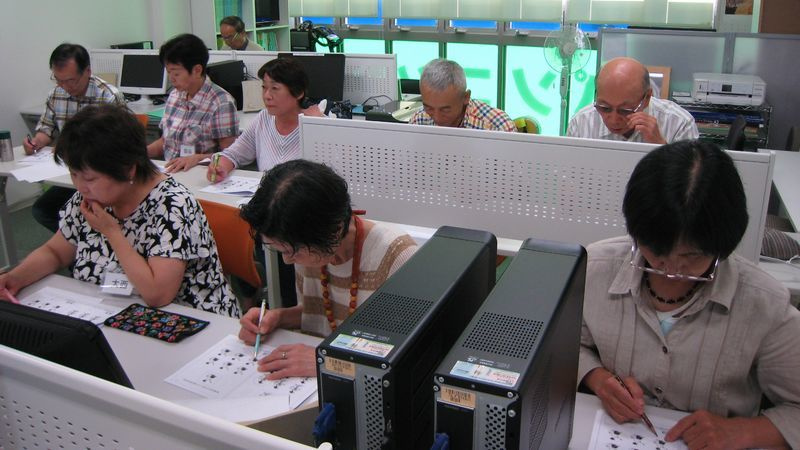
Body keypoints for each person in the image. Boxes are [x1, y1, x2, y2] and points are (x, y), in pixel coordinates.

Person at [579, 140, 799, 449]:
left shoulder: (764, 304)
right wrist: (598, 379)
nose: (671, 271)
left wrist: (744, 431)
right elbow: (563, 345)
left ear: (723, 246)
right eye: (657, 253)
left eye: (692, 258)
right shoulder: (595, 268)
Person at [0, 104, 239, 318]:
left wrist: (112, 232)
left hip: (186, 322)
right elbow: (56, 252)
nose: (80, 186)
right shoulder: (89, 198)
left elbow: (157, 295)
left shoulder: (173, 206)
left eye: (90, 178)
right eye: (74, 174)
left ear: (128, 170)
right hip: (109, 312)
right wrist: (15, 278)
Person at [237, 160, 418, 379]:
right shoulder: (310, 249)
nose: (287, 261)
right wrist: (277, 318)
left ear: (333, 231)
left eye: (292, 252)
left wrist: (329, 362)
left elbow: (406, 352)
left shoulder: (398, 257)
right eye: (280, 250)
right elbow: (323, 314)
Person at [26, 43, 124, 233]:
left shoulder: (108, 96)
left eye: (71, 80)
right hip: (69, 173)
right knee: (42, 210)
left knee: (89, 214)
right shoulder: (56, 94)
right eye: (59, 80)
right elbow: (46, 129)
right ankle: (78, 246)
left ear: (87, 71)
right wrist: (36, 142)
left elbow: (119, 146)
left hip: (99, 175)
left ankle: (85, 245)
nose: (65, 87)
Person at [206, 58, 323, 183]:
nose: (267, 96)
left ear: (299, 92)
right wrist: (221, 166)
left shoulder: (315, 124)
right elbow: (234, 154)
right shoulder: (263, 119)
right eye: (264, 87)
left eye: (275, 88)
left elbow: (330, 177)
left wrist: (318, 126)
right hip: (267, 198)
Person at [146, 33, 238, 173]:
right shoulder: (174, 96)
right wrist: (139, 154)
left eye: (176, 74)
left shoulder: (221, 103)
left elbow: (231, 156)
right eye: (169, 73)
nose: (171, 79)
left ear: (197, 70)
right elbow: (166, 142)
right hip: (170, 174)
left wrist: (198, 159)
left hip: (199, 176)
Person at [567, 57, 698, 144]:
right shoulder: (581, 123)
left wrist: (661, 147)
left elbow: (690, 183)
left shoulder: (679, 124)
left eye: (625, 111)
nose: (613, 120)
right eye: (604, 108)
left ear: (647, 98)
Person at [408, 59, 516, 131]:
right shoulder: (419, 122)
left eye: (445, 110)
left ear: (466, 97)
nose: (437, 118)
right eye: (429, 108)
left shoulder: (497, 127)